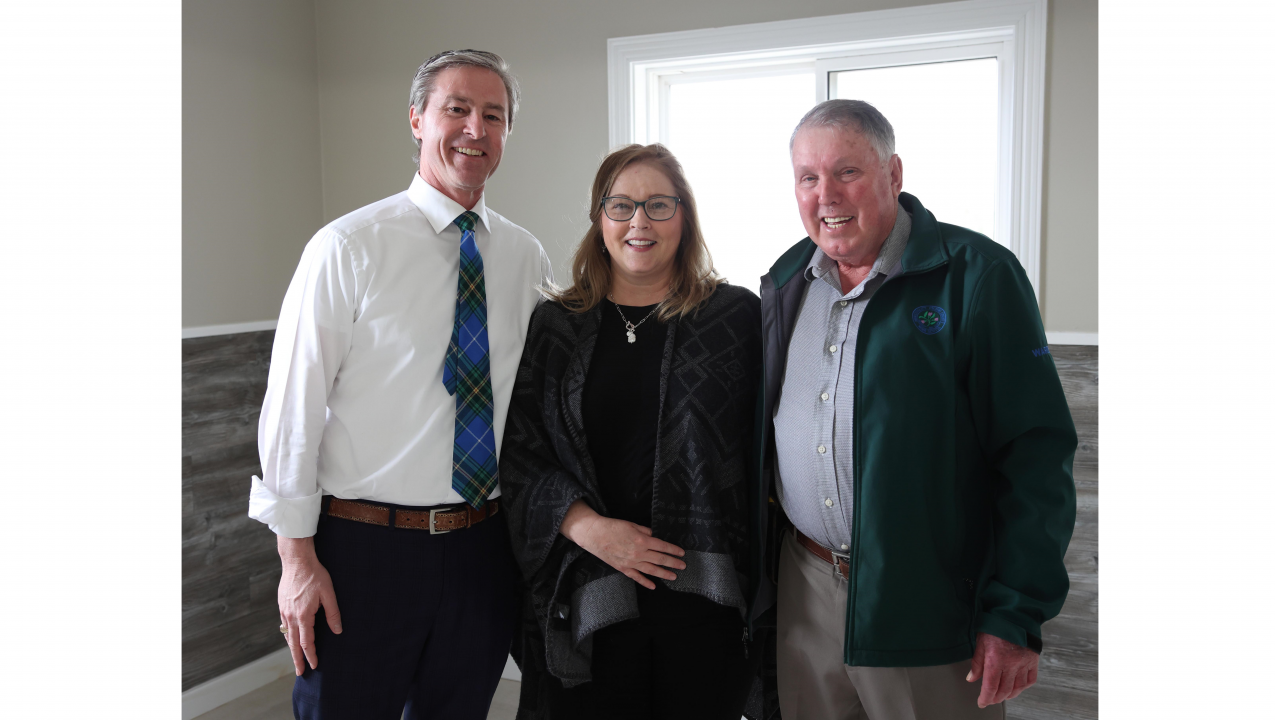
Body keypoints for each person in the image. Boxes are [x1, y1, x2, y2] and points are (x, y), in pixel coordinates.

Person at [246, 50, 553, 720]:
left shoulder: (525, 257)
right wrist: (296, 561)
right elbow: (293, 408)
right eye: (457, 109)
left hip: (482, 546)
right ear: (418, 119)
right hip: (364, 552)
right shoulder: (347, 247)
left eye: (493, 115)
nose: (475, 128)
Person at [748, 99, 1078, 720]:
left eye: (847, 172)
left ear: (894, 174)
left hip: (928, 598)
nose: (826, 195)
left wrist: (1015, 613)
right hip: (806, 583)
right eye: (808, 177)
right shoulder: (786, 279)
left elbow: (1035, 455)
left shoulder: (977, 277)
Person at [499, 143, 766, 720]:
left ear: (685, 217)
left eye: (658, 205)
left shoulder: (736, 317)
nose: (639, 222)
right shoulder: (557, 325)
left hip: (706, 602)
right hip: (588, 596)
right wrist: (587, 527)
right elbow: (520, 450)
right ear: (599, 220)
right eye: (620, 205)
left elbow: (764, 453)